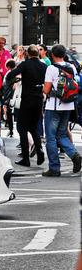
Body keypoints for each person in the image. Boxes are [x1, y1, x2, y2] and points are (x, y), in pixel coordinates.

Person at [42, 44, 82, 177]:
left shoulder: (51, 69)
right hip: (68, 105)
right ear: (64, 54)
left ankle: (54, 168)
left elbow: (46, 90)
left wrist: (42, 88)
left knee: (51, 138)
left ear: (52, 55)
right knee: (62, 135)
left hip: (54, 106)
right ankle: (74, 154)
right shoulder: (71, 67)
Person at [5, 45, 46, 166]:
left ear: (28, 54)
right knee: (33, 127)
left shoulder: (25, 65)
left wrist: (18, 80)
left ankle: (26, 158)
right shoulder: (44, 66)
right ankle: (39, 150)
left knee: (23, 128)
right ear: (37, 54)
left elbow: (11, 74)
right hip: (38, 99)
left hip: (27, 98)